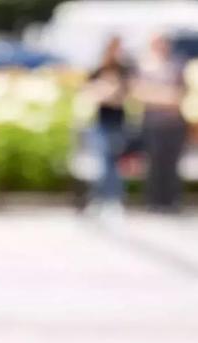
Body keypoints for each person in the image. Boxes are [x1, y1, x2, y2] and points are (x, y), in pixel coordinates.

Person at [134, 33, 187, 213]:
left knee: (172, 164)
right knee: (154, 164)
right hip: (153, 123)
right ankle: (154, 200)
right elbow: (140, 92)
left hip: (174, 123)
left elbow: (181, 93)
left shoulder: (177, 64)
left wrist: (160, 95)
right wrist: (165, 97)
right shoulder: (144, 65)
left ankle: (171, 200)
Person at [85, 36, 131, 217]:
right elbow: (90, 94)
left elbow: (120, 97)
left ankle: (109, 199)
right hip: (101, 122)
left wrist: (107, 92)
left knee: (111, 163)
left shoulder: (123, 70)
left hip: (118, 122)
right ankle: (105, 199)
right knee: (104, 163)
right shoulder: (98, 70)